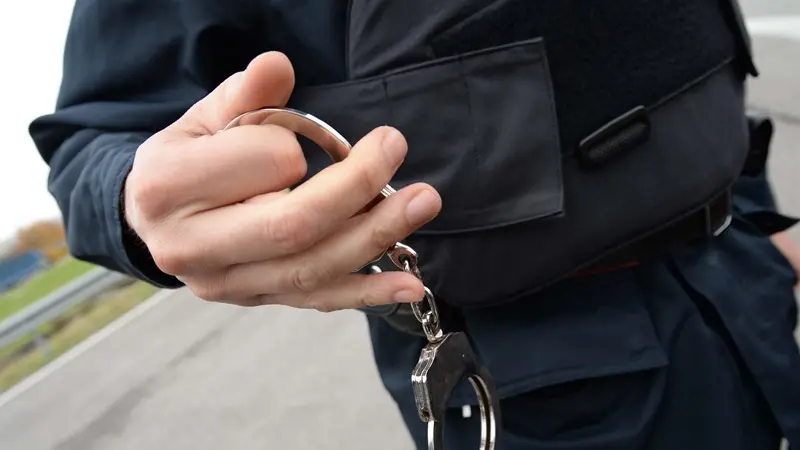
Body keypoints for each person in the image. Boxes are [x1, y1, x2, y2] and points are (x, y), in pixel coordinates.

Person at [29, 0, 800, 448]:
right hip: (550, 389)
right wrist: (136, 200)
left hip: (748, 280)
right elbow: (95, 137)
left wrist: (754, 215)